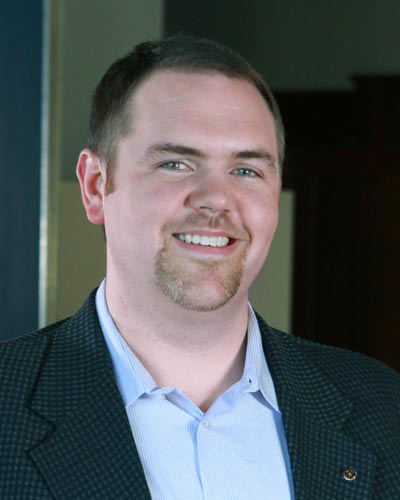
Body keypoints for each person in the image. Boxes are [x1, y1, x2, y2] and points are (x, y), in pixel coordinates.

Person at [1, 34, 399, 500]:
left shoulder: (382, 408)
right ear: (94, 186)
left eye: (246, 170)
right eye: (176, 163)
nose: (216, 199)